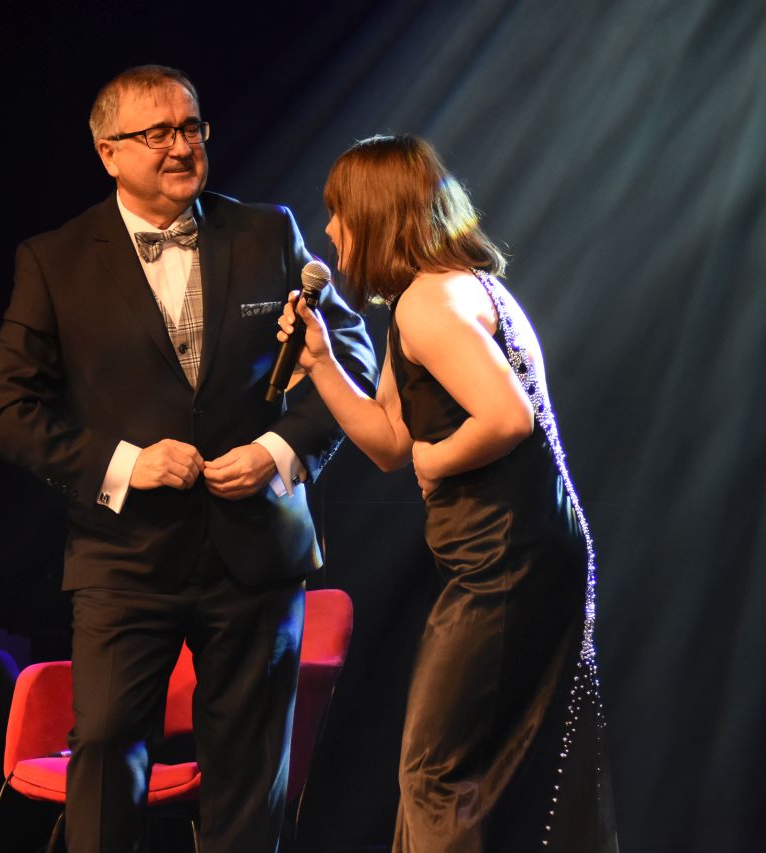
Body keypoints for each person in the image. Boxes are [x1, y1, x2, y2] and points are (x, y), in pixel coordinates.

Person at [0, 65, 376, 853]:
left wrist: (275, 451)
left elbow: (352, 356)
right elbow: (1, 411)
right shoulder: (56, 260)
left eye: (191, 126)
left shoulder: (266, 233)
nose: (181, 145)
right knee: (105, 751)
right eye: (156, 132)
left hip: (255, 550)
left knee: (248, 774)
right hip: (125, 556)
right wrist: (127, 462)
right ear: (108, 152)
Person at [278, 135, 618, 852]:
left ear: (375, 214)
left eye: (339, 212)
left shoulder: (428, 306)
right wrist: (321, 363)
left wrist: (438, 459)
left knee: (435, 771)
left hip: (504, 561)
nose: (330, 229)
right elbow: (388, 440)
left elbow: (507, 417)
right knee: (491, 774)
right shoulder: (446, 290)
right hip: (525, 551)